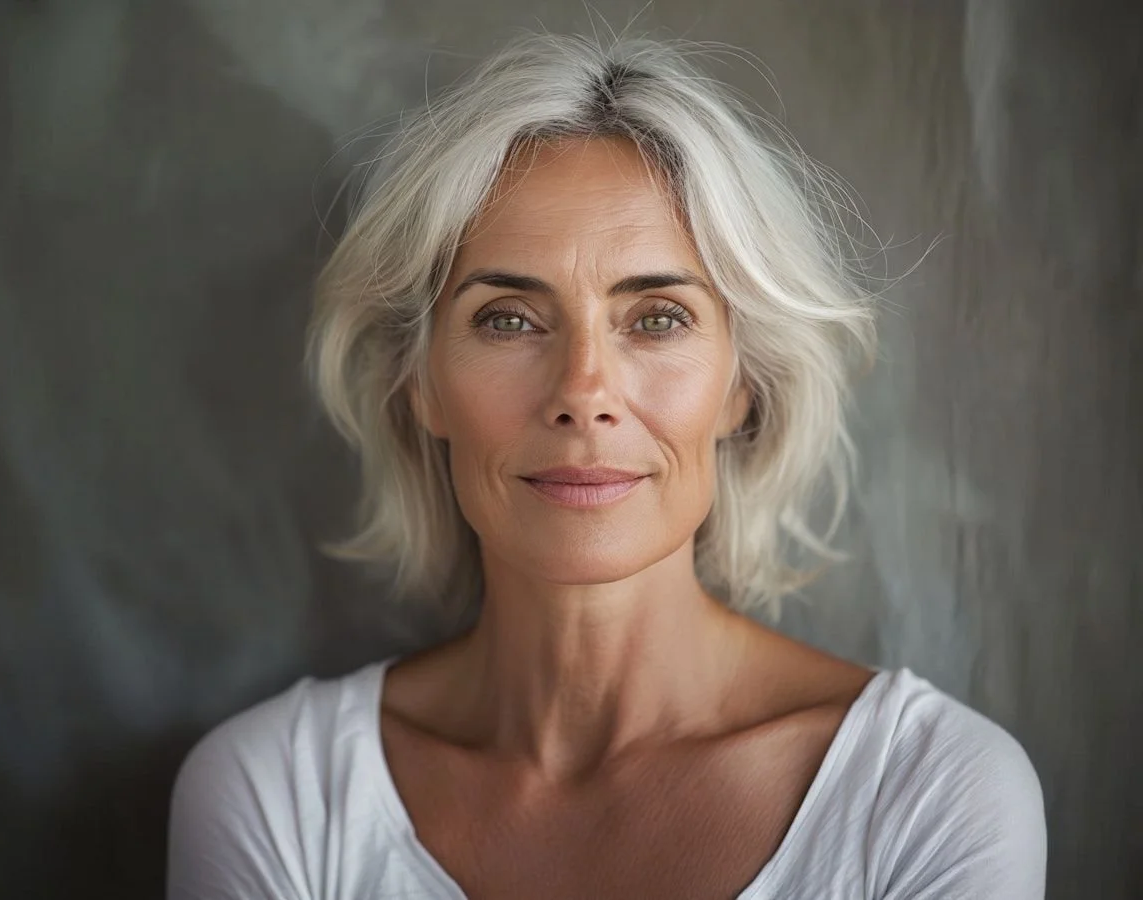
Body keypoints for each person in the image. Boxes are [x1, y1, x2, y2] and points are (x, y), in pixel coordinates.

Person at [167, 32, 1047, 899]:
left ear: (743, 385)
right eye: (508, 318)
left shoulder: (933, 794)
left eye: (657, 317)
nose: (584, 392)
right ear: (419, 385)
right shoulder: (277, 795)